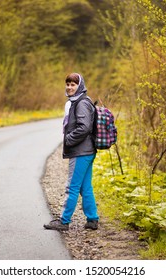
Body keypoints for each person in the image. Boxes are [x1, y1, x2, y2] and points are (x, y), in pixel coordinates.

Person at [44, 73, 99, 231]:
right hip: (86, 150)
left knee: (72, 187)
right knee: (85, 187)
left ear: (79, 86)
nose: (69, 87)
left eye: (73, 84)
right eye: (67, 84)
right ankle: (92, 219)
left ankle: (64, 221)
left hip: (81, 151)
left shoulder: (81, 103)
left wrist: (68, 139)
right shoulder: (78, 102)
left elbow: (84, 127)